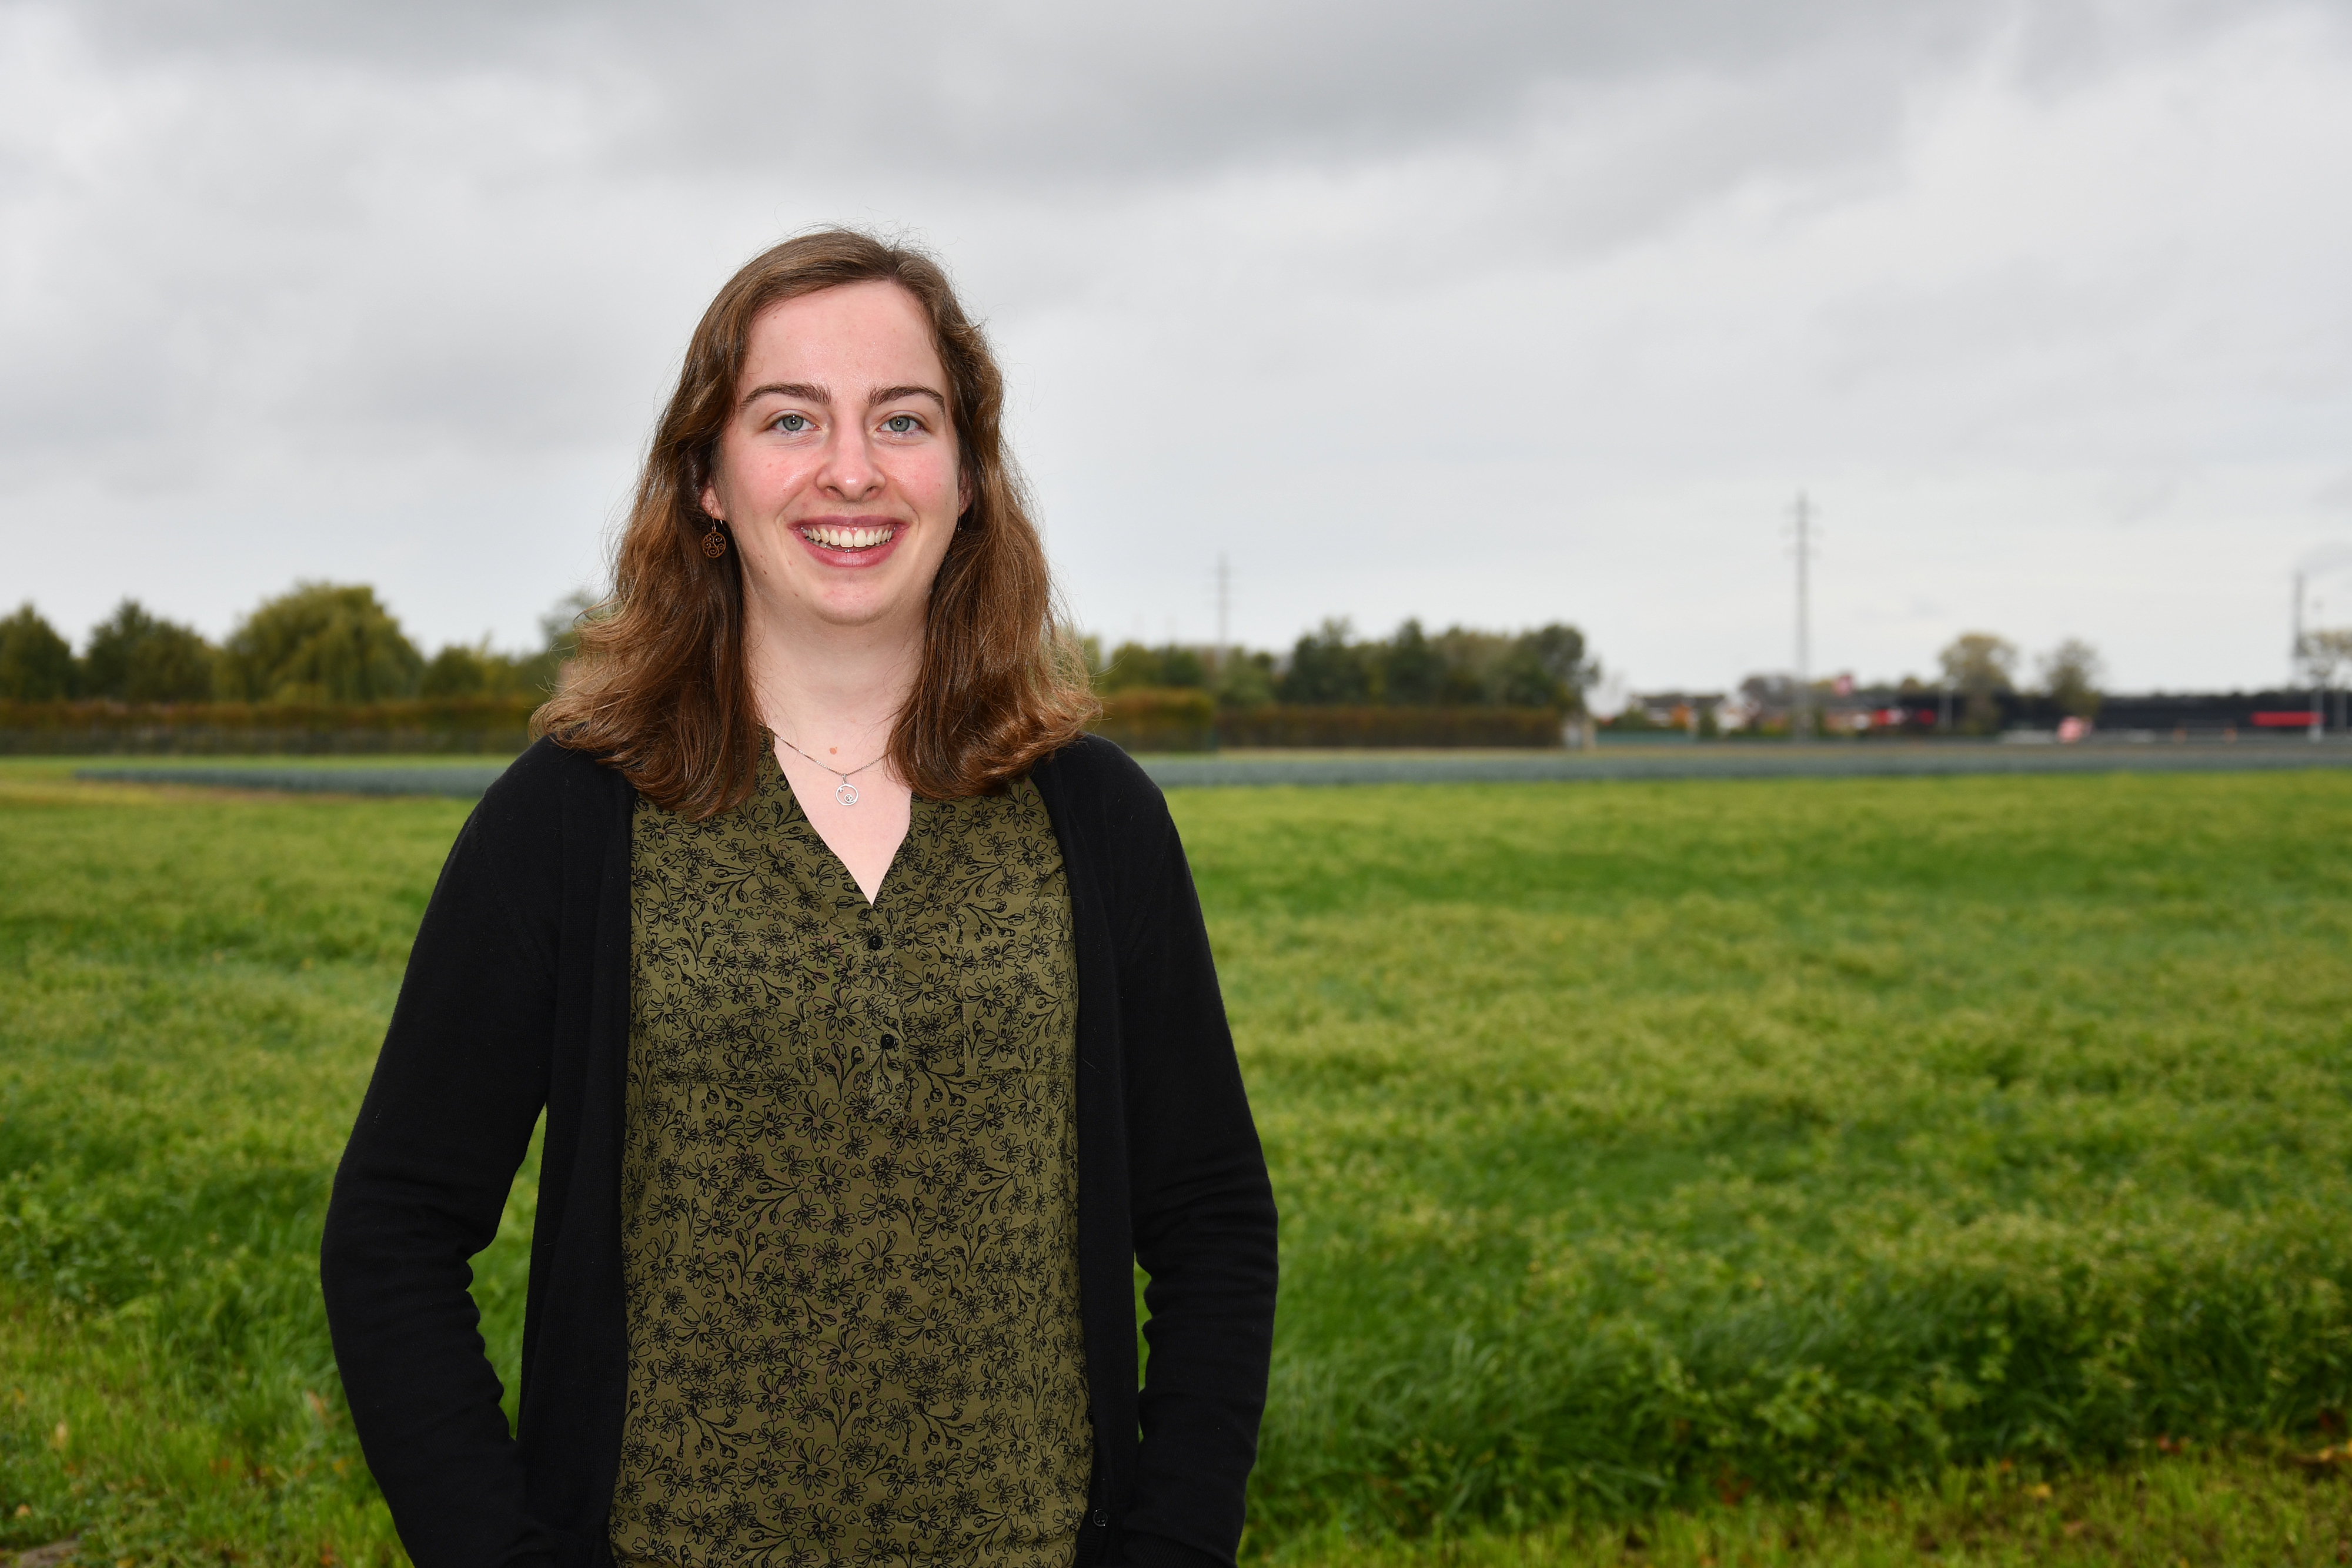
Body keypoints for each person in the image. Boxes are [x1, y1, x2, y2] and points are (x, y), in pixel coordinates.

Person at [320, 230, 1278, 1568]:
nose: (851, 469)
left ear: (967, 474)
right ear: (707, 478)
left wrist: (1169, 1544)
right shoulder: (568, 818)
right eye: (789, 418)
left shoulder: (1094, 817)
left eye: (903, 418)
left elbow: (1212, 1217)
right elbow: (393, 1233)